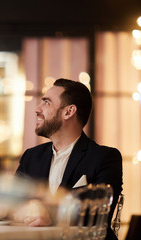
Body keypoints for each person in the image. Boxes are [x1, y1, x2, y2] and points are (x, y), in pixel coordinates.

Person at [16, 78, 123, 240]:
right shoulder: (31, 157)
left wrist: (49, 215)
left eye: (46, 102)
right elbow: (13, 203)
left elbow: (97, 213)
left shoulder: (105, 157)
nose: (37, 109)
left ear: (69, 111)